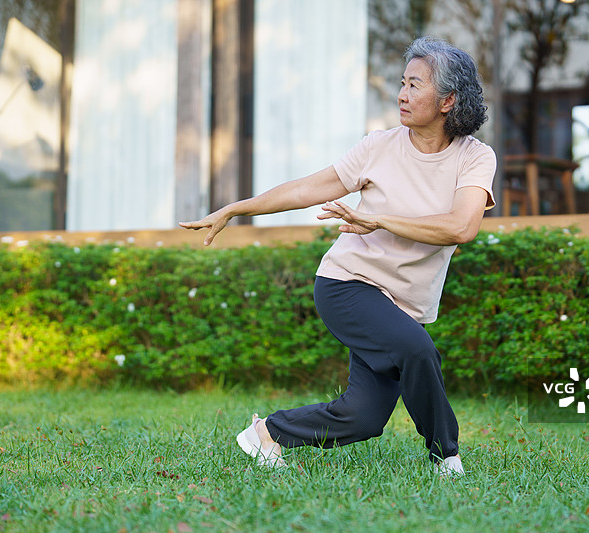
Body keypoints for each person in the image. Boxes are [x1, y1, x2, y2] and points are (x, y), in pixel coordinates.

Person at [179, 36, 496, 476]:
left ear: (448, 101)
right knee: (418, 350)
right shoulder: (378, 147)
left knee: (363, 417)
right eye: (402, 83)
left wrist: (381, 219)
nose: (402, 95)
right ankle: (447, 457)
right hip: (348, 285)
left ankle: (267, 434)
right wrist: (237, 209)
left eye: (415, 86)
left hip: (405, 301)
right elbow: (308, 188)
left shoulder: (474, 158)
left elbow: (462, 226)